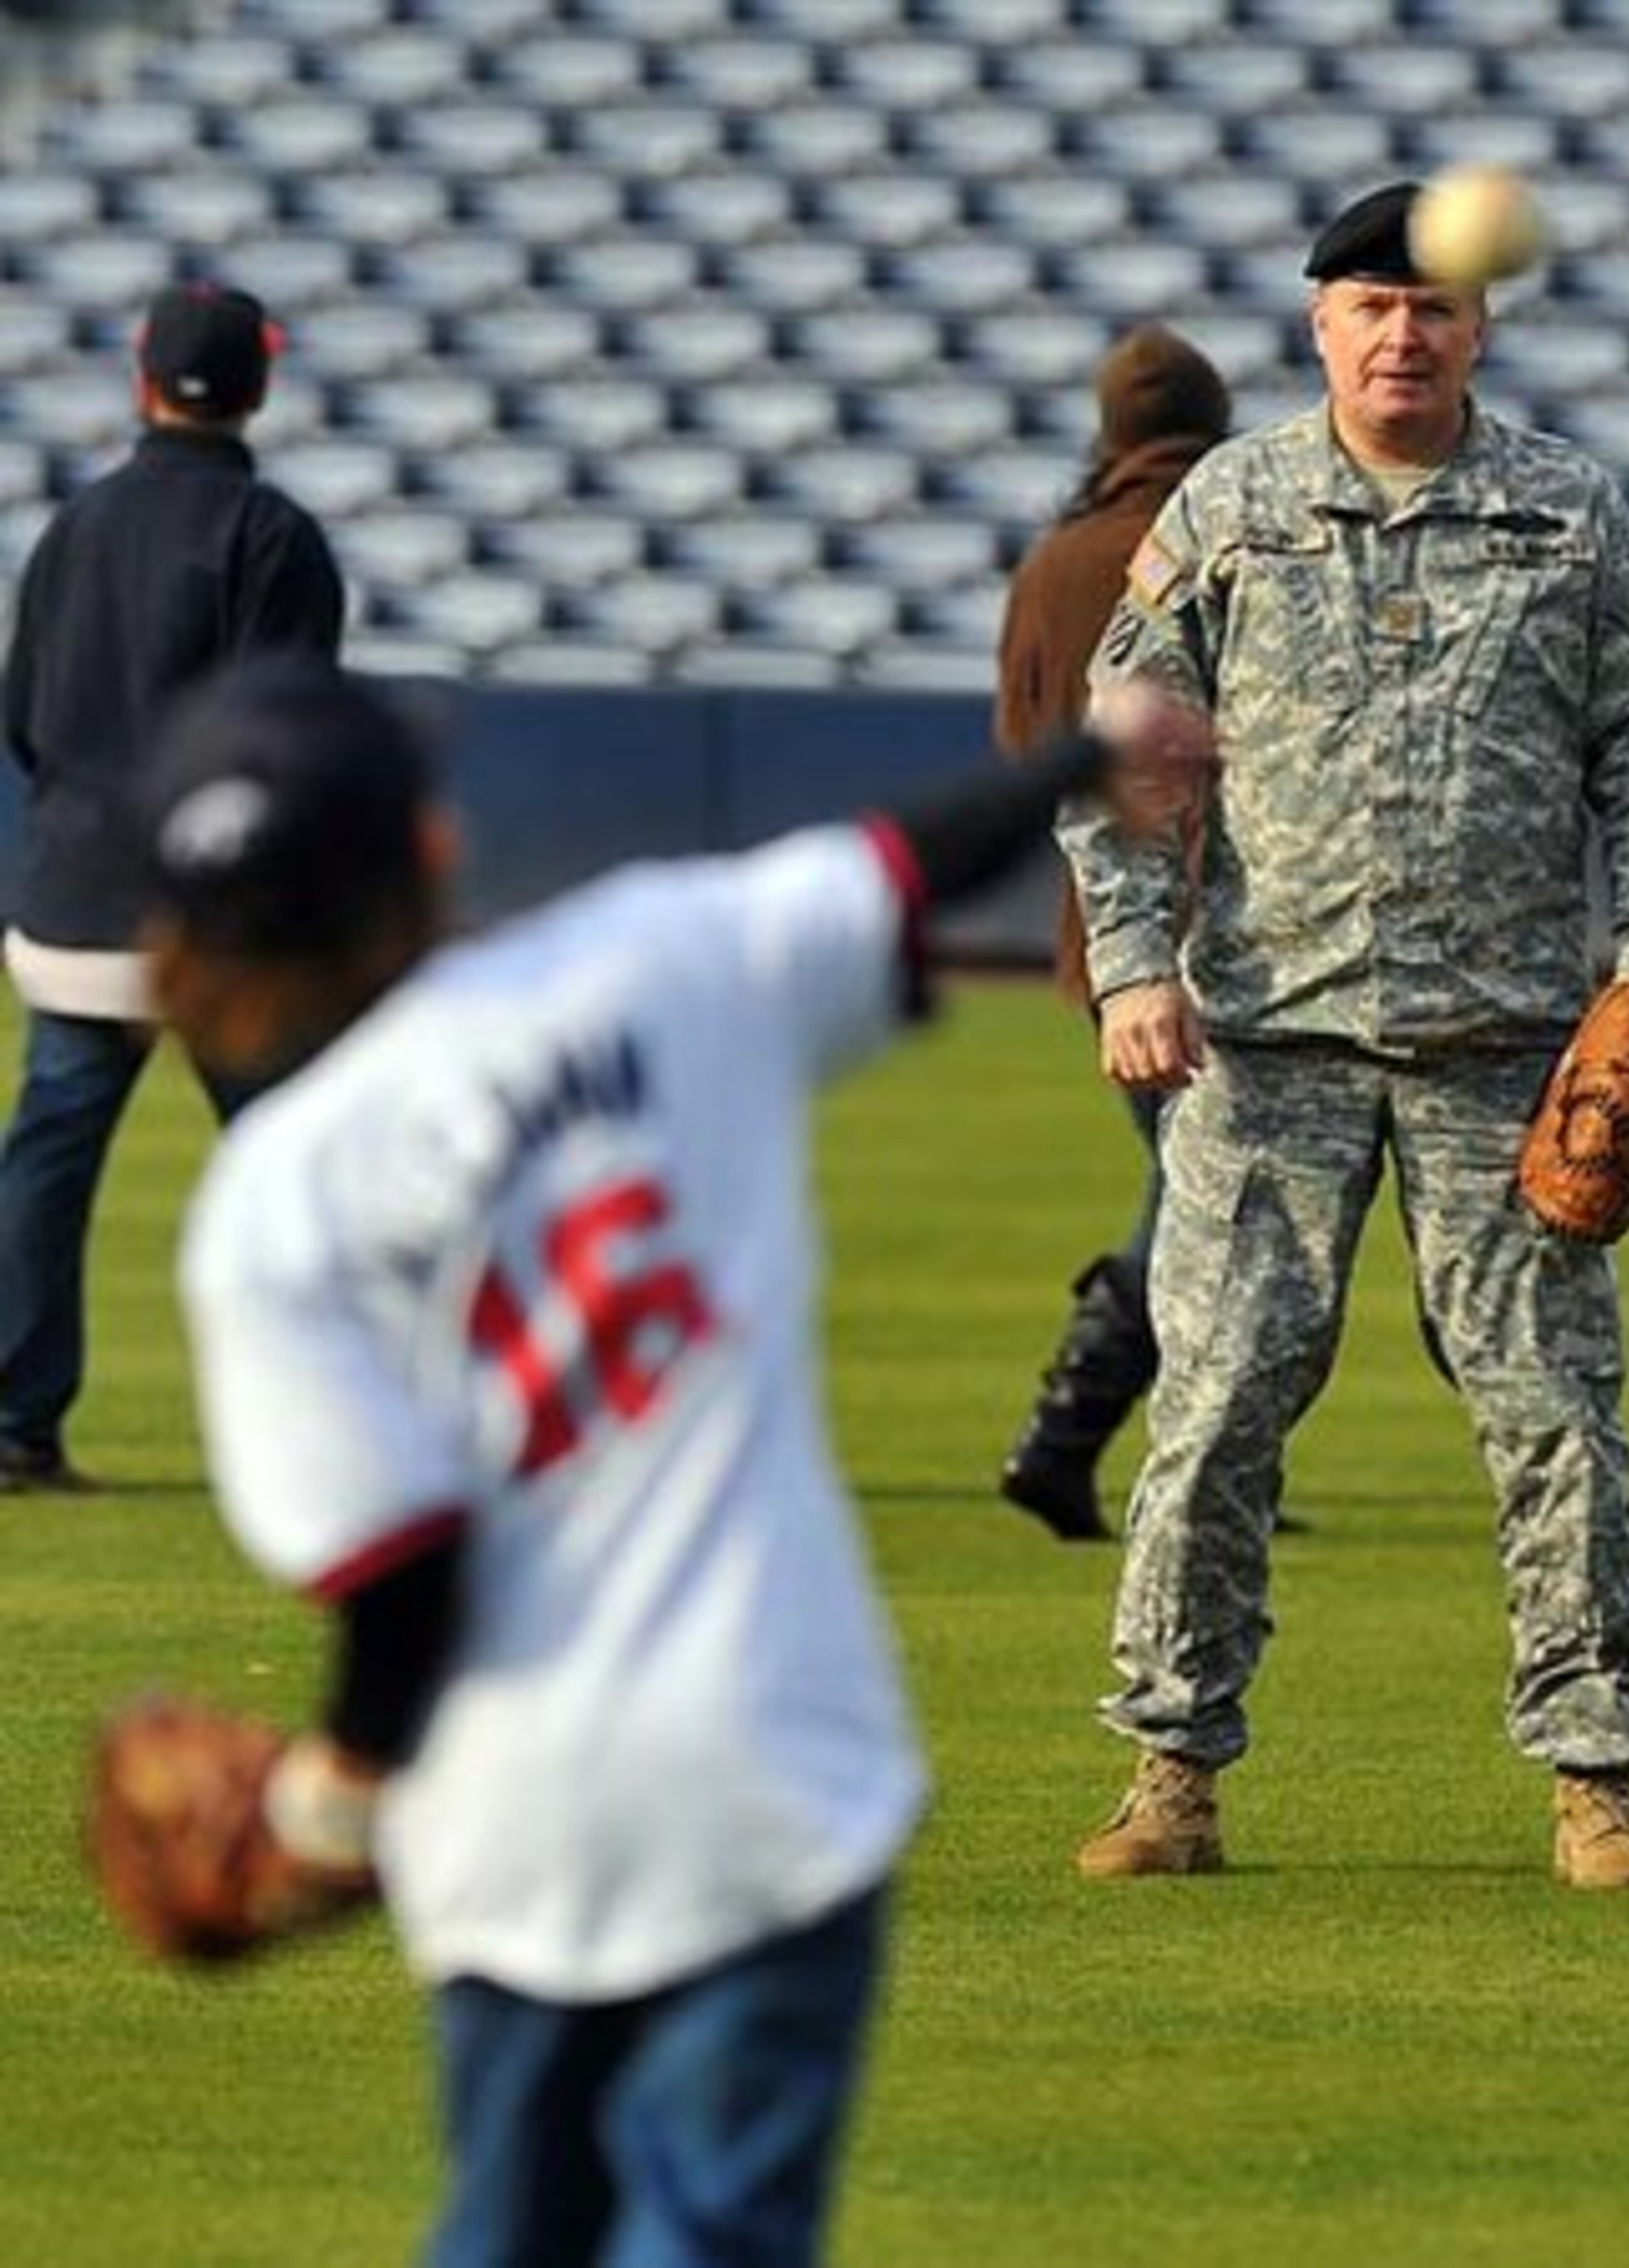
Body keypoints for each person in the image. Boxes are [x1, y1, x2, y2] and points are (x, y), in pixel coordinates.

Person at [132, 655, 1210, 2266]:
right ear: (428, 854)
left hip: (504, 1821)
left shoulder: (270, 1205)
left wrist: (334, 1800)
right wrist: (1089, 750)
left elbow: (398, 1571)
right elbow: (903, 860)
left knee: (511, 2227)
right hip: (766, 1772)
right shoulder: (648, 963)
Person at [1056, 180, 1629, 1890]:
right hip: (1266, 1042)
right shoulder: (1235, 505)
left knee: (1554, 1416)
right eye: (1370, 304)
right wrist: (1134, 963)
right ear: (1320, 325)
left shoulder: (1569, 516)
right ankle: (1170, 1771)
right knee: (1215, 1408)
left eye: (1430, 306)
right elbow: (1125, 746)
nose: (1403, 332)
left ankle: (1597, 1780)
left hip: (1503, 1046)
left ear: (1477, 324)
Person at [0, 279, 344, 1491]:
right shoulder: (276, 540)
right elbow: (286, 742)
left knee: (47, 1156)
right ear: (260, 383)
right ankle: (337, 1421)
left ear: (142, 378)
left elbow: (24, 717)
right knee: (298, 1162)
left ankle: (13, 1422)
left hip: (76, 901)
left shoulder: (75, 528)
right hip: (216, 918)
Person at [994, 321, 1233, 1543]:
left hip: (1107, 935)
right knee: (1208, 1206)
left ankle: (1183, 1453)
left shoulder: (1055, 559)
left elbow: (1025, 754)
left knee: (1202, 1197)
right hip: (1242, 923)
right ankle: (1069, 1428)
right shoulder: (1240, 535)